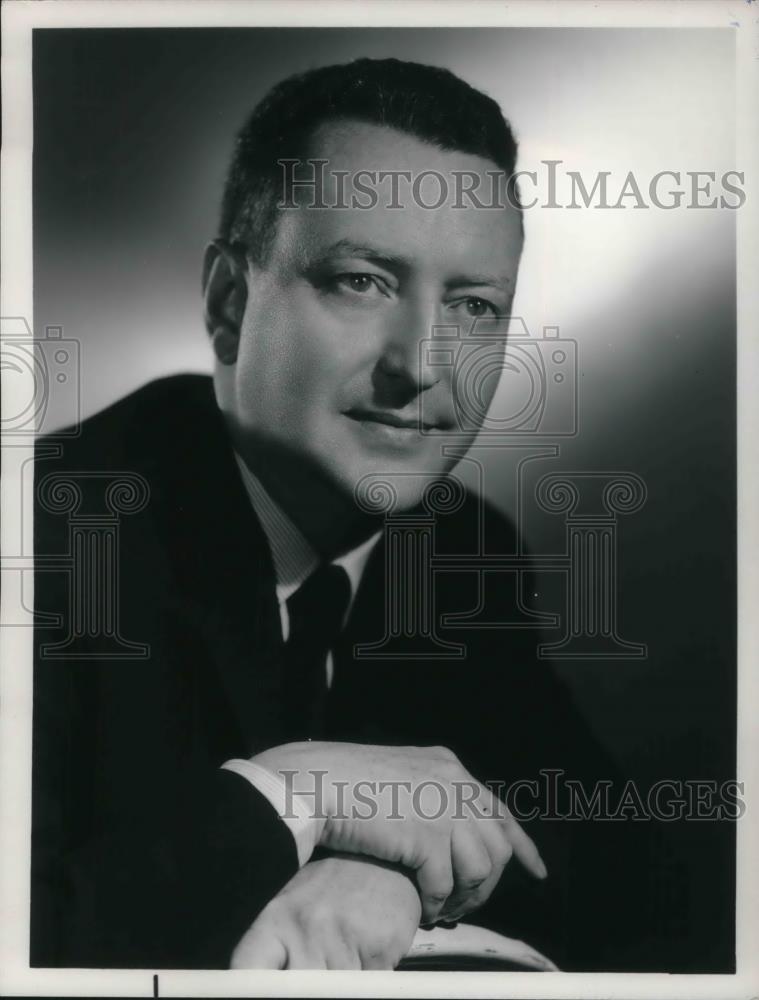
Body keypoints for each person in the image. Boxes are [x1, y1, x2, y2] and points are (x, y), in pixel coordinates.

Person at [32, 57, 638, 972]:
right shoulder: (43, 538)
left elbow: (620, 873)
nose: (422, 366)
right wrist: (295, 797)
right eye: (362, 282)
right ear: (228, 303)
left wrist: (391, 880)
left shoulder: (459, 547)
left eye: (474, 306)